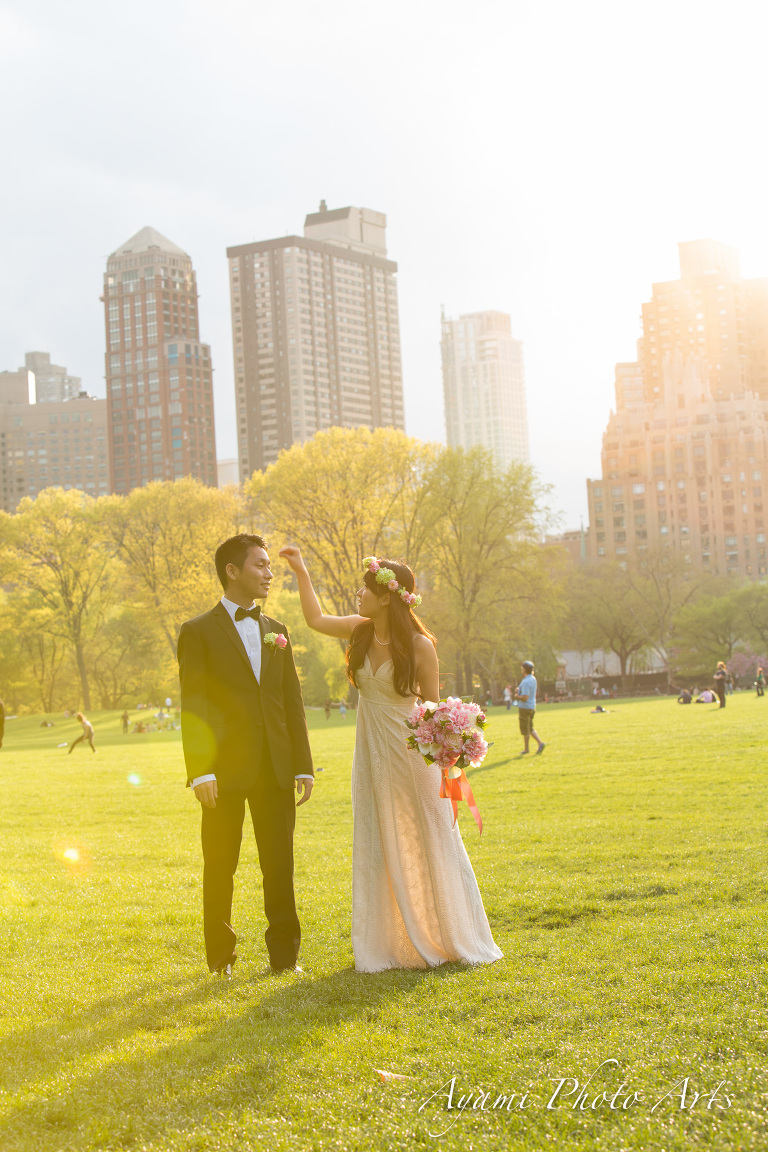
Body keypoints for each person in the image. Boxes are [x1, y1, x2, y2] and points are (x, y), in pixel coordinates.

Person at [280, 545, 502, 974]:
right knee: (379, 837)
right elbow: (315, 620)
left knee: (429, 835)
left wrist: (452, 752)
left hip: (409, 756)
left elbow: (435, 711)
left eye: (365, 589)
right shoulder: (360, 631)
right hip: (371, 755)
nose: (358, 595)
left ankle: (448, 933)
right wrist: (301, 571)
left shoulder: (419, 645)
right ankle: (389, 941)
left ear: (386, 597)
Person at [177, 533, 313, 978]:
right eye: (260, 565)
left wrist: (303, 765)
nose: (270, 574)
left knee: (280, 866)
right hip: (222, 772)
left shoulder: (278, 630)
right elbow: (194, 705)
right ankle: (221, 958)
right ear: (232, 571)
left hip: (276, 767)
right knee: (220, 867)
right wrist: (201, 772)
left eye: (270, 565)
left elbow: (291, 702)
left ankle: (285, 958)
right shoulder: (197, 631)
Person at [515, 661, 545, 755]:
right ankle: (539, 744)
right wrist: (520, 690)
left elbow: (525, 697)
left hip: (525, 708)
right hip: (532, 706)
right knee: (530, 728)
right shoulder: (532, 679)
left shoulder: (525, 681)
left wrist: (517, 696)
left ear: (524, 669)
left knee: (525, 729)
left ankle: (528, 748)